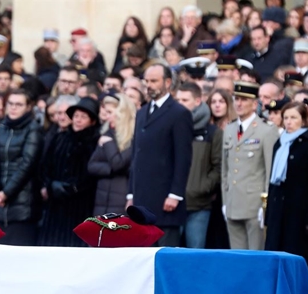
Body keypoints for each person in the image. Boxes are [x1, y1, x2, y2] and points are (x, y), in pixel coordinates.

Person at [127, 64, 193, 246]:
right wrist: (130, 194)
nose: (149, 85)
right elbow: (136, 156)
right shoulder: (141, 113)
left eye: (154, 81)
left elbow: (183, 158)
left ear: (168, 82)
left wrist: (175, 194)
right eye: (147, 81)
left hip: (165, 201)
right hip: (141, 200)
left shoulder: (179, 114)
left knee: (164, 254)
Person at [264, 102, 308, 273]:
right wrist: (269, 215)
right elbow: (273, 182)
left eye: (293, 118)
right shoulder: (280, 143)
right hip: (278, 212)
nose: (288, 122)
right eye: (286, 118)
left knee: (297, 264)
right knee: (275, 261)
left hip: (299, 215)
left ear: (304, 120)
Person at [222, 81, 279, 250]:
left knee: (256, 256)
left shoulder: (266, 130)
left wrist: (267, 205)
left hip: (254, 204)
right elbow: (225, 170)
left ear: (255, 104)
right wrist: (225, 201)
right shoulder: (230, 129)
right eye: (237, 99)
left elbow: (270, 171)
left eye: (244, 100)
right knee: (237, 257)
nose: (239, 103)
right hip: (233, 202)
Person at [38, 97, 100, 247]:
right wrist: (51, 184)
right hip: (56, 201)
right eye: (76, 116)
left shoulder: (94, 142)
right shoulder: (60, 138)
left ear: (92, 121)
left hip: (80, 203)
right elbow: (46, 165)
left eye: (83, 117)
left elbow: (91, 173)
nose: (78, 120)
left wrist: (73, 188)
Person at [0, 89, 44, 245]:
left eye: (18, 104)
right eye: (10, 104)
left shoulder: (33, 129)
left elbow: (27, 165)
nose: (13, 108)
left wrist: (6, 193)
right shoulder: (2, 128)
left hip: (23, 204)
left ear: (27, 107)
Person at [176, 82, 223, 249]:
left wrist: (201, 188)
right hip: (172, 203)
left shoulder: (212, 133)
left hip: (199, 205)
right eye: (178, 100)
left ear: (198, 101)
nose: (180, 104)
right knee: (171, 254)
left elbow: (218, 166)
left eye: (185, 100)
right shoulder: (171, 127)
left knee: (195, 254)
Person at [88, 94, 135, 216]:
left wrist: (108, 143)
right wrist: (111, 170)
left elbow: (117, 163)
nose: (106, 117)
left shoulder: (134, 138)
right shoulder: (107, 133)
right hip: (101, 200)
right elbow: (91, 166)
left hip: (122, 200)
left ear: (122, 113)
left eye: (110, 112)